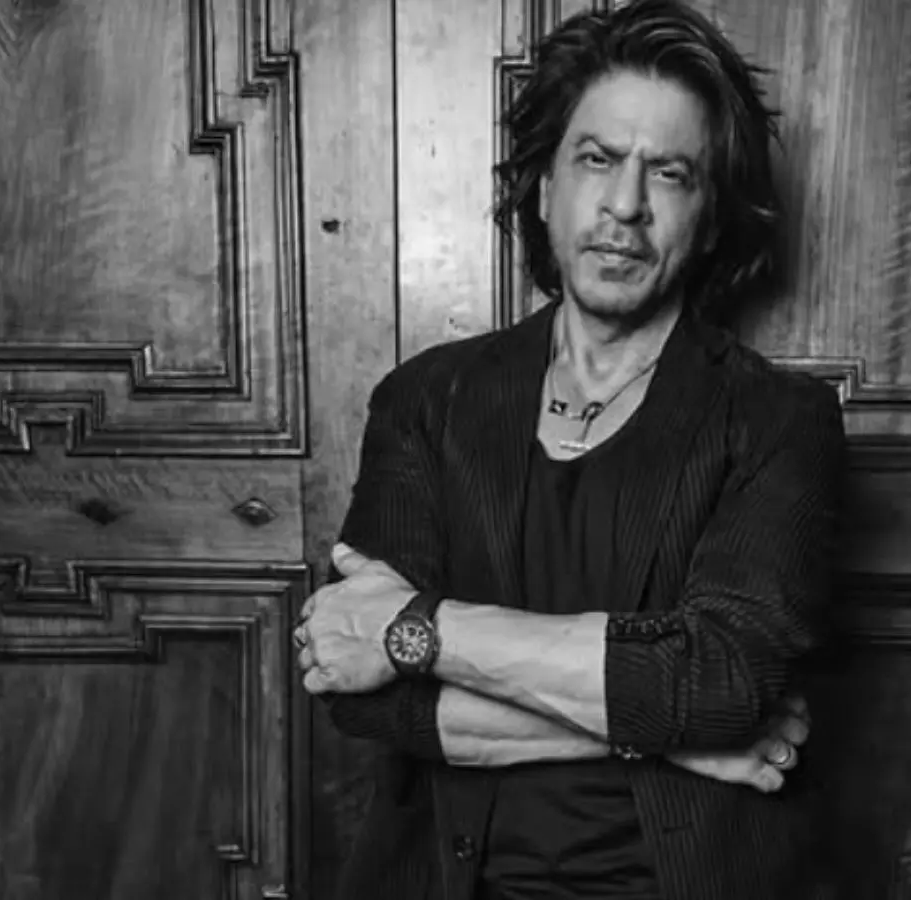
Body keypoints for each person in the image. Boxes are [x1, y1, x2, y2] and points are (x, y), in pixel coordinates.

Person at [293, 1, 846, 897]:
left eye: (669, 173)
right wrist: (673, 736)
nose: (625, 205)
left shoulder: (780, 420)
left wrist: (418, 630)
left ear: (710, 219)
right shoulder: (428, 400)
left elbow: (722, 684)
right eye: (597, 159)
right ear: (545, 188)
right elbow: (365, 696)